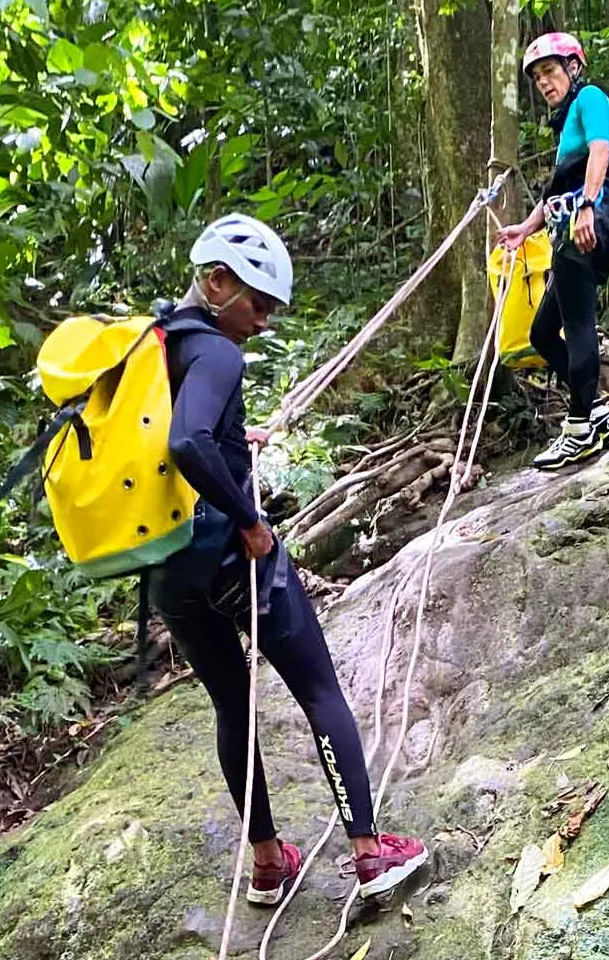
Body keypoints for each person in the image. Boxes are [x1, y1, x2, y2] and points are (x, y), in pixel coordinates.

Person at [151, 214, 429, 906]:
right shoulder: (218, 354)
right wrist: (251, 524)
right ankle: (370, 853)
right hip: (227, 552)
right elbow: (187, 442)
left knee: (230, 704)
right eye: (257, 303)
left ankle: (269, 863)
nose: (264, 320)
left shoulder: (159, 342)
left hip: (167, 566)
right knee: (319, 689)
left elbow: (172, 433)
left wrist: (229, 439)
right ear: (218, 282)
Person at [497, 31, 609, 471]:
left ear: (573, 68)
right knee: (541, 333)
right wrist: (524, 229)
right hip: (569, 230)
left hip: (587, 225)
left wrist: (588, 206)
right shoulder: (567, 124)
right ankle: (595, 411)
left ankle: (578, 430)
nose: (544, 82)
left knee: (577, 325)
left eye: (550, 71)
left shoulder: (589, 98)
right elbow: (557, 191)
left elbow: (601, 151)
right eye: (537, 77)